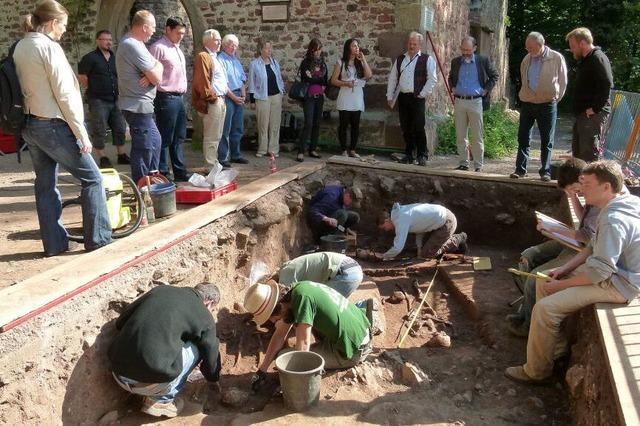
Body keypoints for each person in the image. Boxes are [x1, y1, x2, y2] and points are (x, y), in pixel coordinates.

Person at [505, 160, 640, 384]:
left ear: (606, 187)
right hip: (608, 271)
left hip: (619, 284)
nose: (581, 188)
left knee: (544, 309)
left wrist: (561, 285)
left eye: (586, 184)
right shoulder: (620, 203)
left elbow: (599, 273)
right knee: (542, 280)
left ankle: (537, 372)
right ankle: (555, 349)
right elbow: (591, 247)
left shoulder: (614, 220)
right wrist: (563, 269)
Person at [14, 0, 112, 256]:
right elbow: (65, 96)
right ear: (53, 22)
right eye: (64, 25)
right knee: (93, 178)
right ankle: (98, 238)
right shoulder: (49, 48)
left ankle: (54, 245)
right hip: (54, 125)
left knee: (45, 185)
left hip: (29, 124)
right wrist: (81, 134)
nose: (65, 31)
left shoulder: (20, 46)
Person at [506, 158, 599, 337]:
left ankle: (527, 326)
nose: (575, 192)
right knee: (528, 256)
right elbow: (583, 220)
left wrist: (555, 229)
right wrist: (571, 196)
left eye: (573, 189)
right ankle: (528, 307)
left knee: (535, 278)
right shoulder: (587, 190)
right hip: (577, 242)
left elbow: (588, 237)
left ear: (581, 180)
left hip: (585, 250)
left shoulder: (596, 194)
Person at [108, 283, 222, 418]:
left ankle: (144, 390)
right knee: (199, 346)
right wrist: (213, 380)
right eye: (212, 309)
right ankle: (162, 401)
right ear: (209, 303)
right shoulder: (204, 316)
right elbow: (210, 351)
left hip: (117, 373)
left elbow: (120, 322)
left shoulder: (160, 291)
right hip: (149, 384)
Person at [244, 280, 372, 390]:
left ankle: (330, 362)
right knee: (302, 327)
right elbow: (279, 335)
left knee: (285, 358)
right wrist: (262, 370)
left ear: (280, 306)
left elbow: (303, 346)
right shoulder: (297, 290)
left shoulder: (302, 301)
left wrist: (295, 384)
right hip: (359, 332)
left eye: (271, 317)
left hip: (354, 349)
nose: (272, 321)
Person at [511, 32, 567, 181]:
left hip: (547, 104)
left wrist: (554, 98)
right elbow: (524, 79)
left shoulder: (556, 58)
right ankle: (520, 170)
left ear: (540, 45)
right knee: (523, 137)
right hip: (528, 103)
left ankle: (545, 172)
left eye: (530, 47)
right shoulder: (526, 59)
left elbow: (563, 82)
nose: (527, 50)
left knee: (546, 139)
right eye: (526, 47)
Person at [116, 10, 163, 184]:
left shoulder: (138, 44)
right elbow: (157, 78)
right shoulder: (132, 45)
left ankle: (151, 179)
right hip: (137, 104)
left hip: (142, 104)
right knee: (144, 147)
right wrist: (155, 70)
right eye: (152, 27)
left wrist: (156, 67)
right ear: (144, 27)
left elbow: (157, 71)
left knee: (155, 141)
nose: (153, 31)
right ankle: (142, 186)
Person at [78, 30, 130, 169]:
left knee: (119, 127)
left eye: (110, 40)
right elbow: (82, 77)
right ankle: (102, 156)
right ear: (98, 41)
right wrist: (95, 87)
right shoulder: (90, 58)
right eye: (105, 39)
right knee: (99, 128)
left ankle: (121, 154)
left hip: (115, 99)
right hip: (98, 99)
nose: (108, 42)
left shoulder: (115, 58)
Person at [149, 17, 191, 182]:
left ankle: (180, 171)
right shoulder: (158, 48)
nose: (181, 36)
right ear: (168, 29)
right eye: (178, 32)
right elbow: (150, 71)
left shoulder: (177, 49)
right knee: (165, 136)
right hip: (165, 96)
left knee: (179, 136)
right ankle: (163, 172)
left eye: (183, 33)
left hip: (179, 97)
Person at [386, 31, 437, 167]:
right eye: (410, 43)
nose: (411, 46)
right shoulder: (400, 59)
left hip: (417, 97)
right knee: (406, 127)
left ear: (420, 45)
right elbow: (393, 78)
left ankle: (422, 154)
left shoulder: (427, 59)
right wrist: (390, 96)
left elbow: (432, 79)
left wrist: (423, 93)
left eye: (414, 44)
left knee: (419, 126)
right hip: (403, 97)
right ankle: (409, 154)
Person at [448, 36, 499, 172]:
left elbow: (494, 76)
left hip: (476, 101)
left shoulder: (482, 61)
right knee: (460, 135)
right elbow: (450, 77)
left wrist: (485, 90)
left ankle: (478, 165)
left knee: (477, 135)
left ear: (475, 48)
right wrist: (452, 87)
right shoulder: (456, 62)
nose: (465, 53)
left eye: (468, 50)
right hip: (459, 101)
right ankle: (464, 163)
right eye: (463, 49)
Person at [566, 27, 613, 162]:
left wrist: (595, 108)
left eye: (573, 46)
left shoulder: (597, 58)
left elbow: (606, 83)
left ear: (582, 43)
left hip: (592, 114)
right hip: (583, 113)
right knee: (578, 152)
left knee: (588, 152)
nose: (572, 50)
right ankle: (580, 182)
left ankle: (591, 182)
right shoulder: (587, 60)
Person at [377, 203, 467, 260]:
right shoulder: (400, 213)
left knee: (427, 254)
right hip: (441, 219)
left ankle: (458, 238)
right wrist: (419, 249)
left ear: (386, 220)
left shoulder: (400, 220)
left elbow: (398, 247)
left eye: (384, 228)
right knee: (423, 252)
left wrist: (383, 256)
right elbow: (420, 229)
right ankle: (450, 243)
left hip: (447, 223)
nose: (386, 230)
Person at [330, 38, 372, 158]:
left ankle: (353, 149)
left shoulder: (359, 63)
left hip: (357, 96)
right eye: (354, 46)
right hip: (345, 96)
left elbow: (369, 75)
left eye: (358, 46)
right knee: (343, 124)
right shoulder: (341, 62)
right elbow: (333, 80)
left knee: (355, 125)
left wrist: (363, 60)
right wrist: (345, 84)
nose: (357, 48)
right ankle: (343, 149)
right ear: (348, 48)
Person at [192, 29, 227, 173]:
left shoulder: (214, 56)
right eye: (217, 39)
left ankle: (214, 163)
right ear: (208, 41)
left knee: (217, 135)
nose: (220, 42)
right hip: (213, 100)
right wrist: (212, 98)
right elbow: (203, 82)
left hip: (220, 99)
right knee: (212, 136)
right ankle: (210, 166)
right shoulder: (203, 56)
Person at [248, 39, 286, 158]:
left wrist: (281, 92)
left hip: (276, 96)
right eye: (267, 48)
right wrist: (252, 100)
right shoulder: (254, 64)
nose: (269, 51)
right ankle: (262, 149)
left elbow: (279, 79)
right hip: (262, 97)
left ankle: (273, 149)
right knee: (263, 124)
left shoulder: (274, 62)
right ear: (260, 50)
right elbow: (252, 83)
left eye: (270, 48)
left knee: (275, 124)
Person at [217, 34, 248, 168]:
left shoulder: (236, 60)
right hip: (228, 96)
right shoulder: (220, 59)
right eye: (231, 45)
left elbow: (242, 79)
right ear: (224, 45)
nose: (234, 47)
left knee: (238, 127)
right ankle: (224, 157)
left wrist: (243, 94)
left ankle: (236, 154)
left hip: (238, 94)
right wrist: (234, 97)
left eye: (236, 45)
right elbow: (223, 83)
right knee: (226, 128)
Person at [275, 252, 363, 298]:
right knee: (338, 305)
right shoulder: (289, 267)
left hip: (345, 273)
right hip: (352, 269)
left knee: (324, 306)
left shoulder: (285, 276)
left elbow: (287, 303)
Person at [296, 38, 327, 162]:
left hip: (319, 97)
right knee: (308, 123)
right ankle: (301, 151)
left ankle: (312, 149)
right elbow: (306, 79)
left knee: (317, 124)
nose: (318, 52)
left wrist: (314, 78)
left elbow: (325, 80)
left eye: (319, 50)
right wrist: (317, 79)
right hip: (308, 97)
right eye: (315, 50)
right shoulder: (305, 63)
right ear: (311, 50)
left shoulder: (323, 64)